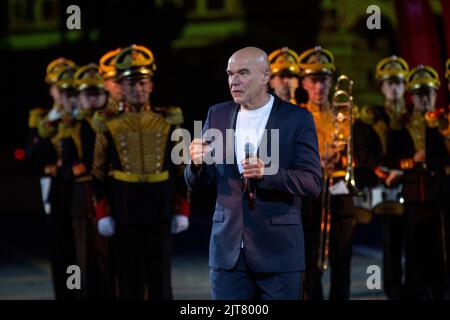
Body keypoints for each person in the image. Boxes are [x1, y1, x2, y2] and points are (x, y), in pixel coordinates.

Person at [185, 46, 322, 300]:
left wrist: (268, 173)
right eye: (230, 74)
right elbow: (198, 183)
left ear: (266, 76)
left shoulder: (297, 118)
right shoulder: (217, 114)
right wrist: (196, 163)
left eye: (243, 73)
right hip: (227, 255)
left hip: (279, 254)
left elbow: (312, 182)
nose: (234, 81)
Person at [91, 44, 189, 299]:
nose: (137, 89)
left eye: (142, 83)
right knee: (128, 278)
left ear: (151, 86)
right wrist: (102, 212)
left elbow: (180, 168)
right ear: (121, 88)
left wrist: (183, 207)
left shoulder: (169, 119)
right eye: (131, 83)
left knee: (161, 277)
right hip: (125, 206)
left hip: (160, 205)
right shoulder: (108, 124)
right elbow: (98, 173)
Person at [297, 45, 356, 300]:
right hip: (310, 197)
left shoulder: (345, 115)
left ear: (331, 82)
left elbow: (359, 154)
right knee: (310, 262)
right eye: (314, 80)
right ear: (304, 83)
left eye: (324, 80)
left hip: (339, 195)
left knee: (342, 260)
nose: (319, 87)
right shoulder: (296, 115)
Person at [353, 55, 411, 299]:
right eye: (389, 83)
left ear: (405, 86)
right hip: (387, 187)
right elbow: (363, 151)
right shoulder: (373, 119)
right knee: (391, 242)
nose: (394, 88)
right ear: (381, 87)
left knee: (418, 240)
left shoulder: (415, 115)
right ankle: (393, 288)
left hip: (415, 185)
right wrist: (380, 169)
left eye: (398, 83)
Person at [403, 65, 450, 299]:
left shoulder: (443, 123)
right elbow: (394, 158)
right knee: (415, 250)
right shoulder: (403, 123)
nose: (424, 99)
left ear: (436, 94)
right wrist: (413, 160)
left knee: (440, 250)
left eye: (429, 93)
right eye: (419, 94)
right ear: (412, 96)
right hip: (414, 195)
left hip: (439, 194)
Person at [37, 64, 79, 300]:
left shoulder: (83, 118)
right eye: (60, 89)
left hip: (81, 193)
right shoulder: (44, 119)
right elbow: (33, 156)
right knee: (62, 252)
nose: (66, 96)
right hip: (56, 193)